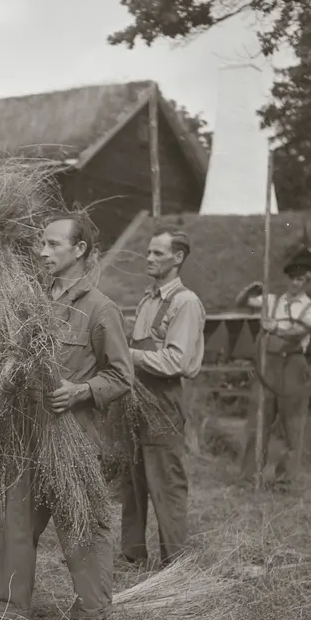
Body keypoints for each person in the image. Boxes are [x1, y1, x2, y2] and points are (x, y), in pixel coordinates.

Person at [0, 211, 134, 620]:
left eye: (53, 244)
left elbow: (122, 376)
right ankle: (10, 611)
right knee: (16, 520)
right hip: (26, 433)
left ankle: (94, 611)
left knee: (80, 522)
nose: (42, 252)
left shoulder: (101, 309)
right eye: (42, 243)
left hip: (74, 435)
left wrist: (80, 391)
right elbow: (17, 356)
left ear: (80, 249)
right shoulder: (33, 305)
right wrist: (9, 370)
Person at [119, 228, 206, 568]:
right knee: (133, 478)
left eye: (158, 253)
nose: (149, 259)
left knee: (165, 481)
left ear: (178, 257)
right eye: (148, 252)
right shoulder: (148, 299)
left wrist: (126, 355)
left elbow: (176, 362)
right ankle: (132, 556)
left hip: (163, 400)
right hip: (135, 395)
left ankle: (174, 564)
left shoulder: (186, 303)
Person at [237, 241, 311, 488]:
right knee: (259, 419)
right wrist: (251, 289)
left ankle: (286, 480)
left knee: (292, 423)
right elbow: (242, 301)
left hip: (294, 365)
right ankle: (249, 477)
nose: (296, 283)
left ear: (307, 282)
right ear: (287, 279)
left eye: (301, 279)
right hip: (268, 364)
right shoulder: (272, 301)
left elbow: (301, 331)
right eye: (293, 278)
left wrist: (275, 327)